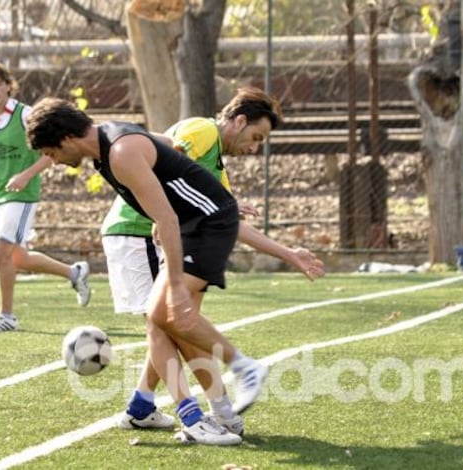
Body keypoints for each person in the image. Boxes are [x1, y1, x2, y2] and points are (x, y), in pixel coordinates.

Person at [27, 97, 299, 446]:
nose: (53, 162)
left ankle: (216, 396)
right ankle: (211, 404)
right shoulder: (110, 136)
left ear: (65, 138)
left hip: (203, 226)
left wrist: (173, 282)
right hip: (205, 221)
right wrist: (174, 183)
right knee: (168, 320)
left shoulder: (120, 153)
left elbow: (167, 218)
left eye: (50, 153)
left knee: (163, 317)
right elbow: (170, 145)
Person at [101, 87, 325, 437]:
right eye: (256, 137)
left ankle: (144, 406)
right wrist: (165, 218)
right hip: (137, 231)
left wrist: (288, 254)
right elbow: (166, 163)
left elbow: (227, 221)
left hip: (163, 235)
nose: (254, 148)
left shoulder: (217, 168)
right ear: (237, 121)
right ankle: (203, 414)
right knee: (164, 323)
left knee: (174, 322)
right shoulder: (201, 131)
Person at [0, 62, 91, 333]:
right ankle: (74, 273)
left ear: (9, 85)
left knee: (1, 252)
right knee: (18, 258)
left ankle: (6, 316)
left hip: (23, 195)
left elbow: (51, 152)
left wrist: (25, 175)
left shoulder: (25, 114)